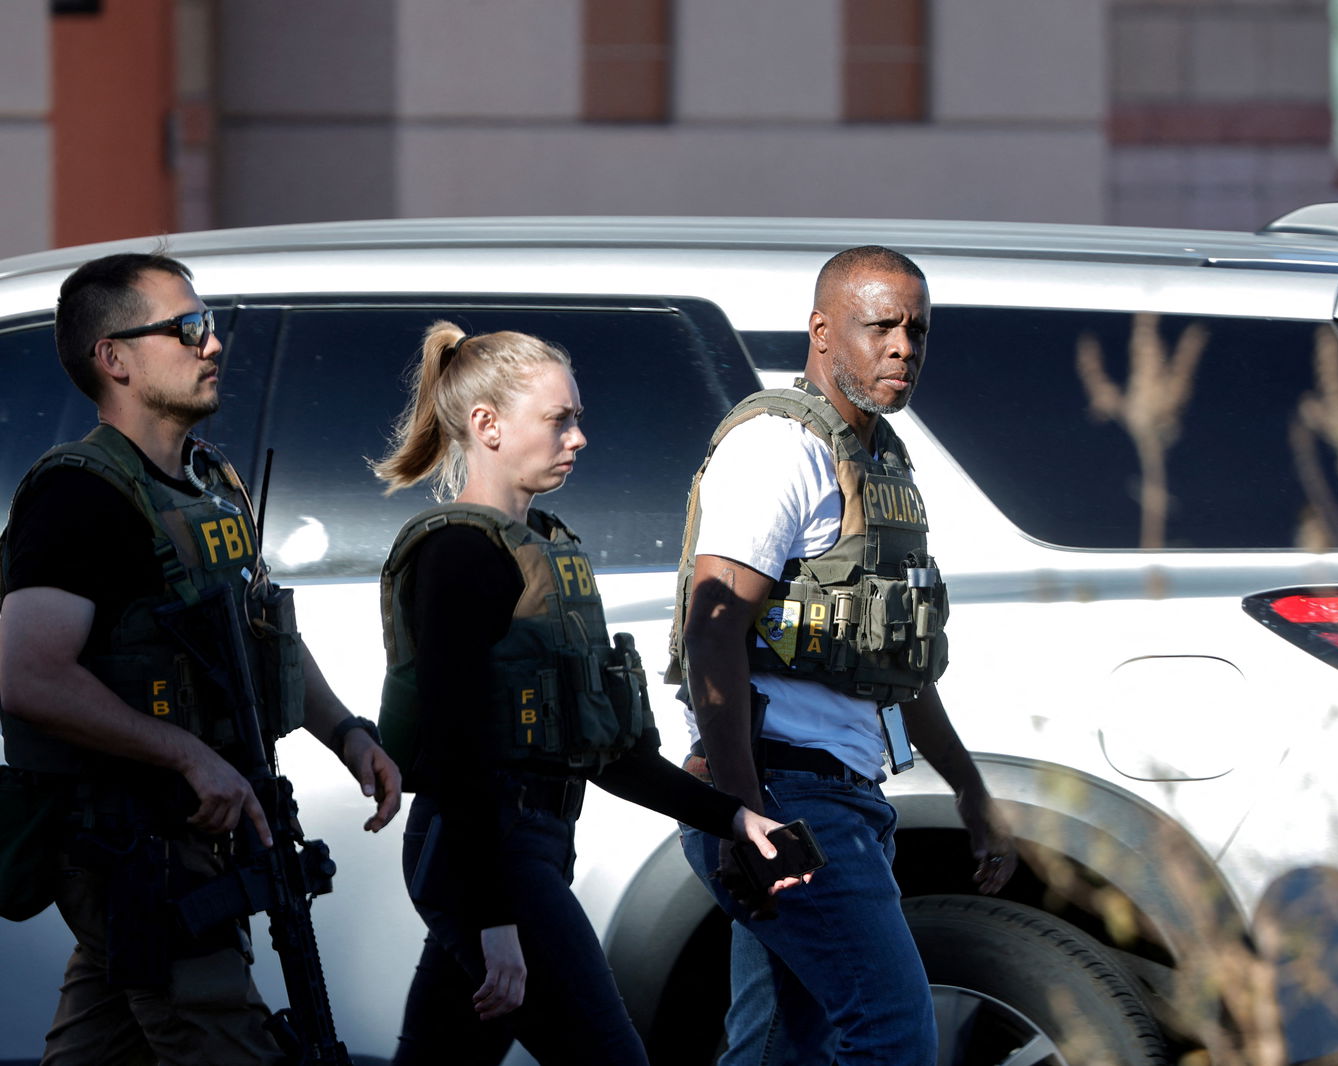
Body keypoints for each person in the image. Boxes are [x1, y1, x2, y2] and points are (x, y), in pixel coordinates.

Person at [0, 252, 402, 1064]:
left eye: (208, 324)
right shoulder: (80, 495)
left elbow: (262, 634)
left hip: (188, 837)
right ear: (114, 358)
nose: (212, 344)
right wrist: (185, 754)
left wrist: (346, 732)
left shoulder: (208, 482)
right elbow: (25, 673)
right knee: (225, 1043)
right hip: (134, 842)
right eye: (187, 328)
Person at [372, 320, 804, 1066]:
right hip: (489, 858)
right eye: (558, 419)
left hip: (522, 850)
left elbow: (606, 753)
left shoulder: (545, 551)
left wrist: (735, 819)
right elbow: (454, 754)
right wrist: (495, 920)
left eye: (577, 417)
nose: (578, 437)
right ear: (488, 425)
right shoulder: (459, 553)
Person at [670, 245, 1019, 1065]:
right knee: (893, 1032)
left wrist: (969, 788)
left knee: (780, 1049)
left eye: (917, 330)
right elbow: (712, 629)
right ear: (822, 332)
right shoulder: (777, 448)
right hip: (786, 796)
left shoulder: (876, 461)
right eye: (881, 326)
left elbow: (892, 664)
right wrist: (746, 816)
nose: (903, 347)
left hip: (835, 797)